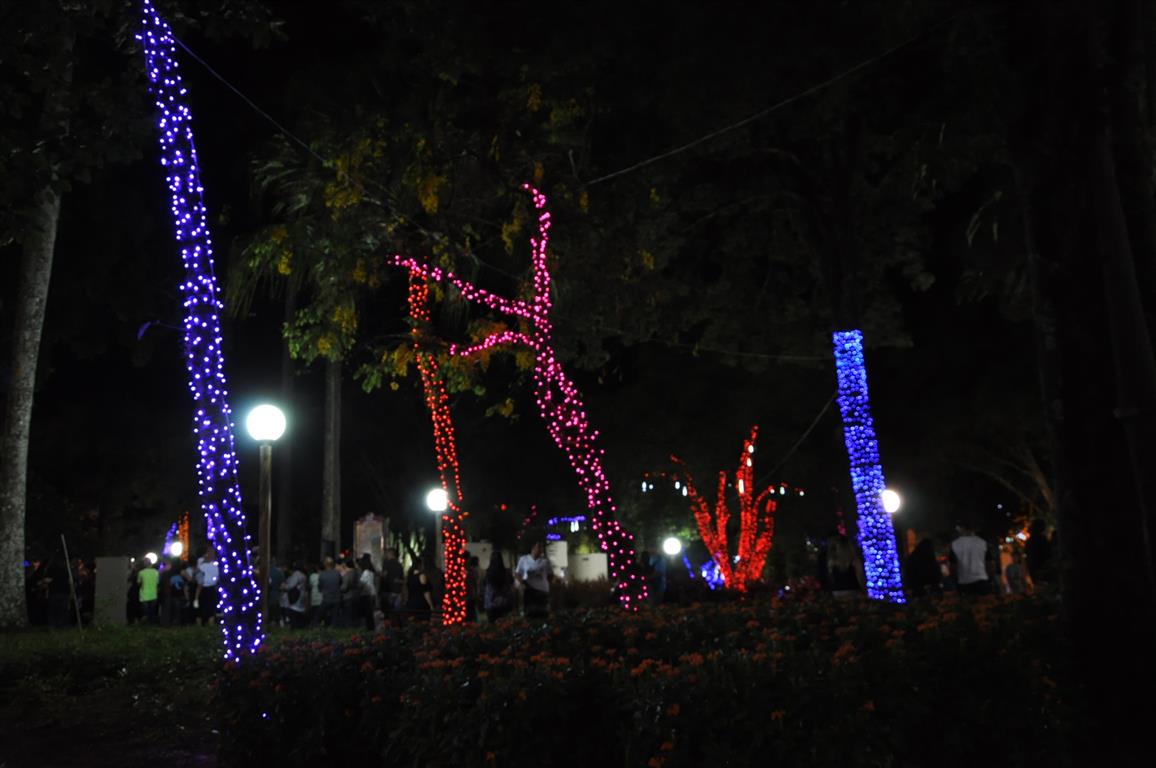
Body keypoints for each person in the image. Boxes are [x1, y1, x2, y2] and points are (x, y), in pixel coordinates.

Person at [950, 523, 991, 595]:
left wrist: (955, 579)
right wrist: (990, 578)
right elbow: (989, 563)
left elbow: (953, 566)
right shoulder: (982, 542)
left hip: (963, 581)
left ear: (961, 529)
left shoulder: (955, 544)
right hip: (982, 580)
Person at [515, 541, 553, 618]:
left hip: (542, 591)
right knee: (530, 613)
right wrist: (522, 583)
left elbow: (550, 575)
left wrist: (546, 584)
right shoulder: (524, 559)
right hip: (529, 591)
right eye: (538, 547)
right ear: (533, 548)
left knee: (542, 613)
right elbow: (518, 573)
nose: (540, 550)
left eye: (541, 548)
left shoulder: (545, 562)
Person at [484, 554, 515, 622]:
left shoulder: (488, 573)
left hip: (491, 604)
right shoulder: (506, 573)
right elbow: (511, 585)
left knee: (492, 626)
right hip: (505, 603)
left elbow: (486, 586)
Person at [195, 548, 220, 626]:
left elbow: (218, 575)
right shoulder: (201, 561)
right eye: (209, 552)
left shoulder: (216, 563)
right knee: (201, 608)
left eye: (212, 553)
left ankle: (210, 625)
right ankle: (199, 626)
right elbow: (197, 571)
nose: (210, 554)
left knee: (211, 608)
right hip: (202, 587)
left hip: (212, 587)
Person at [281, 562, 308, 629]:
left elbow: (290, 586)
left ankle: (294, 627)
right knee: (300, 613)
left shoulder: (296, 575)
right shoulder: (304, 575)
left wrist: (283, 586)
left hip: (295, 596)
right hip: (302, 595)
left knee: (294, 613)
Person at [316, 557, 342, 627]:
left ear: (325, 564)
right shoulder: (337, 574)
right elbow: (340, 583)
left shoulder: (322, 574)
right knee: (335, 618)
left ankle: (316, 626)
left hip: (326, 598)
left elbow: (319, 587)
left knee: (320, 614)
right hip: (337, 598)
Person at [380, 548, 405, 619]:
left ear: (389, 554)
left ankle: (389, 626)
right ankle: (396, 626)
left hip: (388, 591)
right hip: (397, 591)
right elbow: (403, 580)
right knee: (396, 612)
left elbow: (384, 576)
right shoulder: (399, 565)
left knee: (388, 612)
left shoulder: (386, 564)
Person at [357, 554, 379, 631]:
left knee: (367, 613)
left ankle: (368, 628)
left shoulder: (365, 572)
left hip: (367, 594)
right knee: (369, 613)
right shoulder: (371, 572)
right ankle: (371, 627)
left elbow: (362, 583)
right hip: (372, 593)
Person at [138, 557, 160, 625]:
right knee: (152, 612)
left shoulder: (141, 572)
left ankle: (145, 625)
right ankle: (152, 625)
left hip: (144, 595)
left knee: (145, 613)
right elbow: (157, 583)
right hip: (153, 594)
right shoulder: (156, 572)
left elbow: (139, 583)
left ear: (144, 564)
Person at [465, 555, 480, 622]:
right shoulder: (472, 571)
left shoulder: (471, 571)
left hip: (468, 597)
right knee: (471, 615)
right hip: (470, 596)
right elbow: (475, 583)